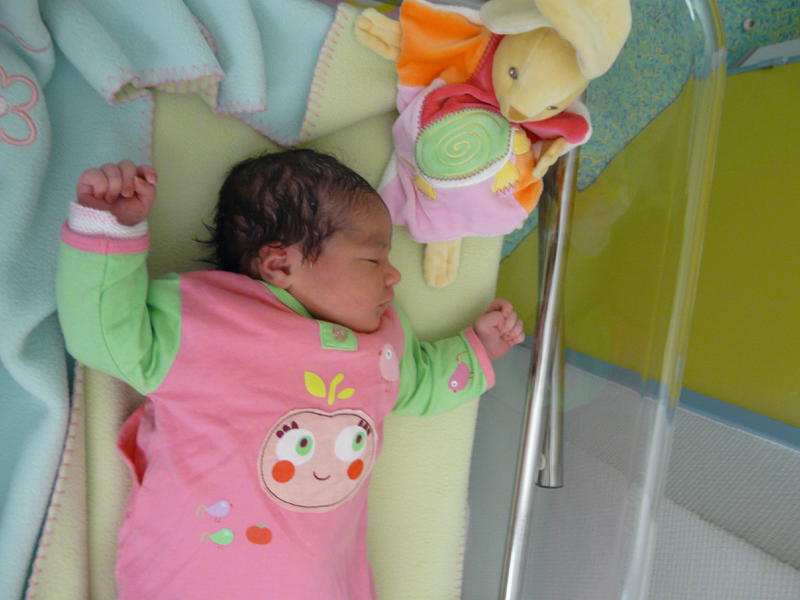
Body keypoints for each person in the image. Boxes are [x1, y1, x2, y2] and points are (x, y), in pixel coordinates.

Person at [56, 149, 524, 600]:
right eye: (373, 259)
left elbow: (419, 384)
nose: (394, 276)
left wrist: (478, 349)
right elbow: (103, 335)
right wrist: (109, 230)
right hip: (193, 579)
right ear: (280, 264)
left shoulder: (379, 343)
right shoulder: (204, 320)